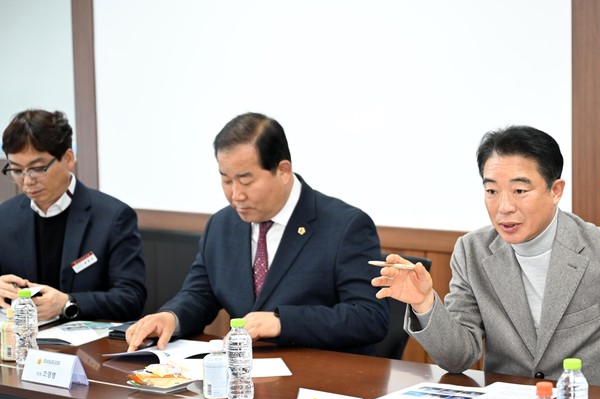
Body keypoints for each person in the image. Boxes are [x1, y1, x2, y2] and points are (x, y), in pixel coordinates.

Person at [373, 125, 600, 396]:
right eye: (492, 191)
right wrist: (424, 303)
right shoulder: (472, 252)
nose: (504, 207)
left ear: (555, 190)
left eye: (519, 191)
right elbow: (459, 358)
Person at [126, 112, 388, 354]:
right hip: (243, 375)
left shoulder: (345, 226)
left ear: (283, 171)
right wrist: (171, 317)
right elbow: (200, 294)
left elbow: (369, 316)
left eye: (246, 181)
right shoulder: (222, 225)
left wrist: (281, 322)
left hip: (324, 378)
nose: (236, 195)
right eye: (226, 180)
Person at [0, 109, 146, 322]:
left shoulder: (113, 217)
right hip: (20, 336)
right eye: (16, 170)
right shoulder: (5, 216)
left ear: (68, 158)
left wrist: (67, 303)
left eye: (37, 168)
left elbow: (131, 298)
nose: (27, 180)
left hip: (89, 339)